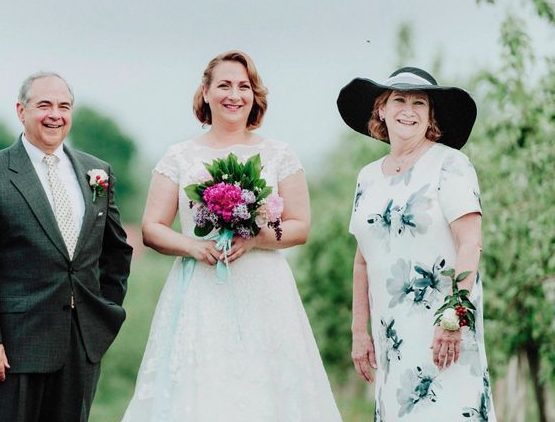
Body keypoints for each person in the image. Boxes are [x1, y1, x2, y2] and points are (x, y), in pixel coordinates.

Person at [122, 51, 341, 421]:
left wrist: (256, 238)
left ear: (254, 95)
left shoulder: (278, 154)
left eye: (244, 86)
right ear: (205, 92)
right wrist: (193, 246)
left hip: (265, 290)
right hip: (200, 289)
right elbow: (152, 229)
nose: (234, 95)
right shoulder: (179, 156)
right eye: (224, 85)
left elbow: (301, 225)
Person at [0, 72, 133, 422]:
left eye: (64, 106)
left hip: (78, 346)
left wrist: (102, 315)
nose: (55, 114)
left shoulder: (97, 172)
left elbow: (116, 253)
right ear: (21, 111)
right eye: (44, 105)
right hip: (11, 348)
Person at [337, 67, 497, 420]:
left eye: (418, 103)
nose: (407, 110)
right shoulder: (367, 177)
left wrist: (454, 316)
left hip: (444, 329)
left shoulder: (451, 165)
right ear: (382, 109)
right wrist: (359, 331)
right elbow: (362, 259)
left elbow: (470, 244)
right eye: (399, 100)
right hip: (391, 334)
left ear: (429, 116)